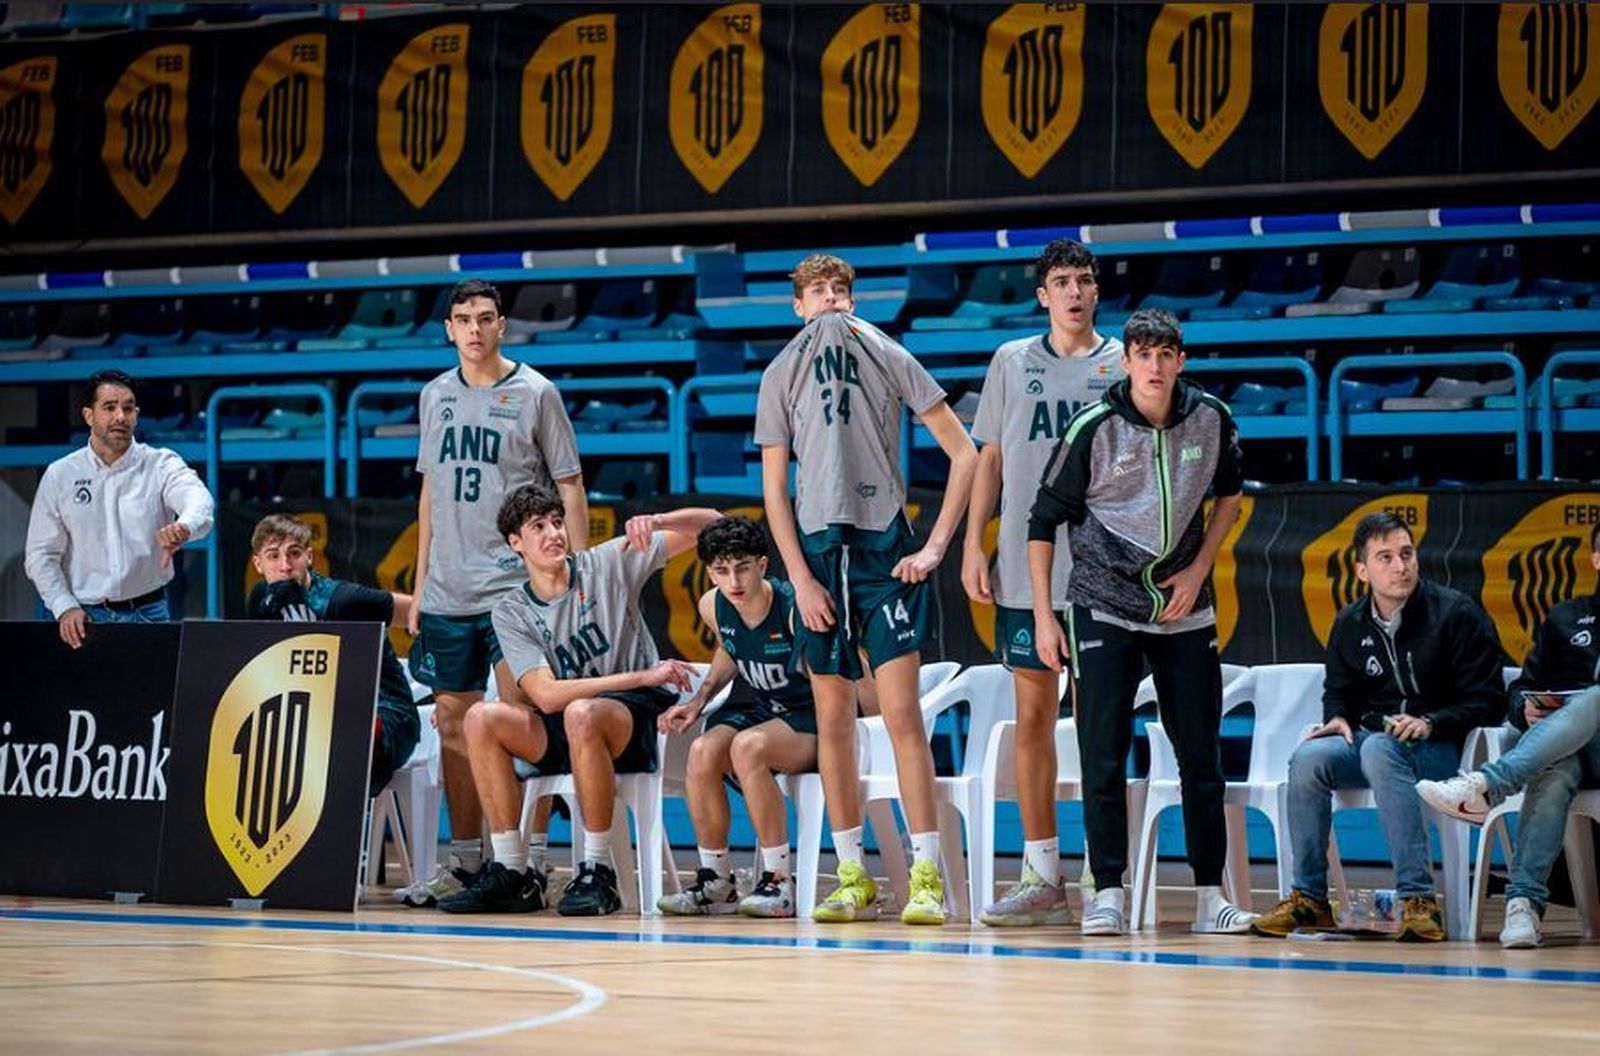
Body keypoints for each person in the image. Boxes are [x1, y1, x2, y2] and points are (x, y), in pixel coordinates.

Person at [755, 253, 978, 926]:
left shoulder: (888, 353)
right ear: (798, 307)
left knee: (903, 717)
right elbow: (772, 492)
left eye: (839, 290)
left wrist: (935, 546)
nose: (828, 300)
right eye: (816, 292)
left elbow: (964, 452)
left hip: (884, 545)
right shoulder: (780, 372)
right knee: (832, 722)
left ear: (854, 300)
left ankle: (927, 876)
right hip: (819, 558)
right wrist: (797, 578)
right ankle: (852, 875)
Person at [1028, 308, 1253, 936]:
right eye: (1143, 354)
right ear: (1124, 363)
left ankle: (1212, 898)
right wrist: (1047, 619)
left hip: (1184, 608)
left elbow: (1231, 494)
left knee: (1200, 756)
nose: (1155, 365)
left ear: (1181, 360)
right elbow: (1041, 523)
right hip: (1103, 604)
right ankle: (1108, 892)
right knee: (1103, 757)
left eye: (1165, 354)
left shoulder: (1212, 418)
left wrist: (1199, 567)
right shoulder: (1093, 427)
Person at [437, 484, 719, 916]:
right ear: (516, 543)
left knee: (582, 713)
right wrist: (644, 670)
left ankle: (596, 870)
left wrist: (659, 521)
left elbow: (716, 527)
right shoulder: (511, 611)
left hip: (632, 712)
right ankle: (515, 873)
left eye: (556, 522)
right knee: (481, 717)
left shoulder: (607, 562)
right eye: (538, 527)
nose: (553, 533)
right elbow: (545, 696)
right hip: (572, 713)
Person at [403, 278, 587, 907]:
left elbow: (570, 487)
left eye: (485, 317)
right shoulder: (434, 397)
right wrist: (422, 583)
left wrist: (575, 577)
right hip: (449, 590)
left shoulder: (536, 393)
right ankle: (467, 860)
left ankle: (529, 862)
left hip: (514, 589)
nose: (474, 329)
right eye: (463, 319)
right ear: (449, 329)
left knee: (522, 718)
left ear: (503, 325)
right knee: (454, 723)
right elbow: (429, 495)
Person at [962, 239, 1124, 927]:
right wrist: (974, 542)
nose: (1074, 292)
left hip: (1099, 573)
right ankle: (1041, 875)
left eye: (1084, 280)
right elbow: (990, 458)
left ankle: (1102, 875)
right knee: (1032, 719)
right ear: (1042, 295)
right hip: (1027, 571)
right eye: (1061, 281)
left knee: (1098, 727)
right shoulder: (1011, 361)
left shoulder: (1122, 363)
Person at [1252, 511, 1506, 942]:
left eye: (1406, 554)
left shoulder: (1456, 613)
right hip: (1377, 746)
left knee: (1377, 749)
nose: (1400, 566)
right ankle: (1310, 899)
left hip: (1443, 750)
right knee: (1309, 757)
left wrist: (1430, 722)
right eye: (1385, 557)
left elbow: (1490, 700)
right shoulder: (1350, 622)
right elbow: (1339, 691)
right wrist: (1336, 718)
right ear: (1362, 570)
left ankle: (1417, 899)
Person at [1417, 520, 1600, 947]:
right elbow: (1519, 690)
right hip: (1565, 751)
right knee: (1555, 770)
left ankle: (1486, 783)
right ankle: (1523, 907)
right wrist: (1529, 709)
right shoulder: (1567, 616)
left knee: (1595, 698)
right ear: (1595, 559)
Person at [655, 516, 818, 919]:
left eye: (742, 567)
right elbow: (730, 647)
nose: (734, 582)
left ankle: (779, 883)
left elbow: (833, 684)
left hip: (811, 717)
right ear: (709, 572)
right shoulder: (713, 605)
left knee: (748, 747)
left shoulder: (795, 608)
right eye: (721, 571)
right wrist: (699, 700)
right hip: (767, 710)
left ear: (762, 565)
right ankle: (716, 882)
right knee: (701, 750)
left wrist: (859, 734)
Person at [25, 369, 213, 647]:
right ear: (89, 415)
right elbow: (40, 554)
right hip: (84, 618)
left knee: (155, 691)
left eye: (128, 408)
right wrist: (64, 606)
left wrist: (184, 526)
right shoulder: (60, 474)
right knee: (89, 692)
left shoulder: (160, 463)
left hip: (151, 612)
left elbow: (198, 499)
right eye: (110, 407)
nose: (121, 417)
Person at [244, 514, 422, 798]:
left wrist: (440, 679)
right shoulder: (260, 600)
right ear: (258, 564)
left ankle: (337, 838)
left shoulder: (344, 600)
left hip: (384, 718)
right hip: (308, 719)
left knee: (327, 738)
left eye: (294, 554)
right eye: (273, 556)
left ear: (310, 557)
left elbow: (422, 614)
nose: (285, 566)